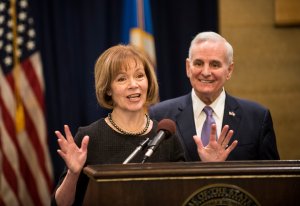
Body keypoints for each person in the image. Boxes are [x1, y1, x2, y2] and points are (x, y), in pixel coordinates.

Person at [51, 44, 237, 206]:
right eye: (122, 79)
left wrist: (209, 169)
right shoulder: (89, 138)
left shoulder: (166, 135)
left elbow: (185, 197)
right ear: (108, 89)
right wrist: (73, 174)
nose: (134, 85)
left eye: (139, 76)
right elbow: (61, 204)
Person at [149, 31, 280, 161]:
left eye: (215, 64)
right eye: (199, 63)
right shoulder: (160, 116)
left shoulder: (257, 118)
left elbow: (273, 178)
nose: (206, 72)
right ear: (188, 67)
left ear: (229, 70)